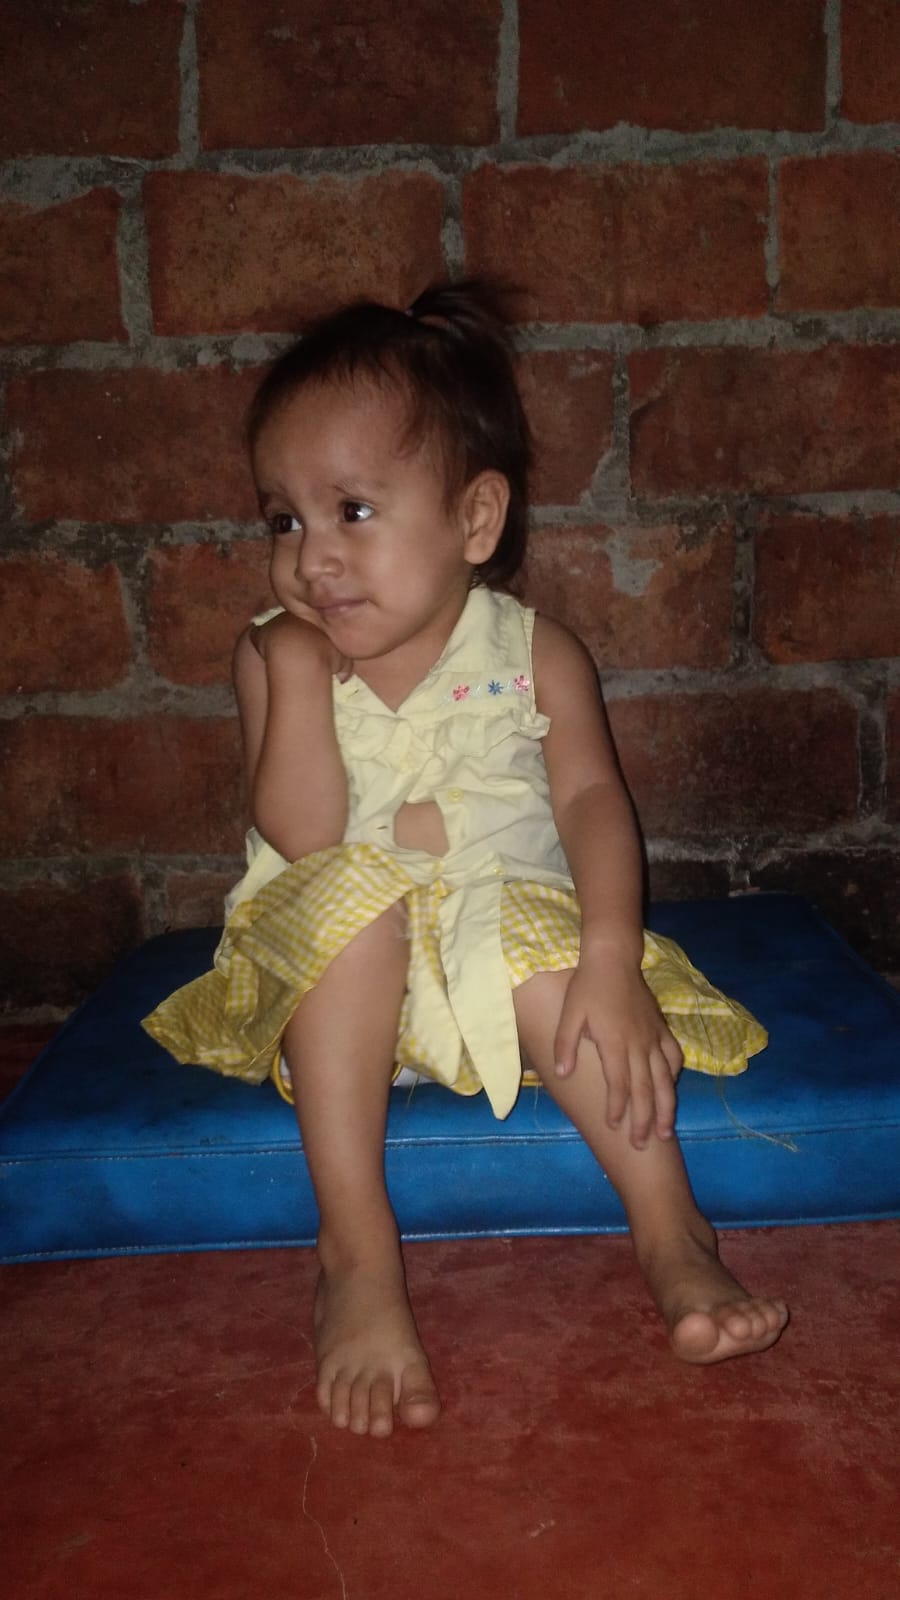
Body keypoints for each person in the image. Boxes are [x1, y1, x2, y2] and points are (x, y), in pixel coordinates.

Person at [144, 280, 788, 1439]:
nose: (311, 558)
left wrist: (611, 958)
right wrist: (295, 676)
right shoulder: (276, 656)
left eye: (351, 511)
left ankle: (671, 1228)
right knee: (355, 907)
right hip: (337, 986)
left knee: (554, 961)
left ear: (476, 522)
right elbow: (303, 836)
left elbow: (592, 799)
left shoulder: (536, 651)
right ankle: (355, 1253)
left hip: (499, 941)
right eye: (283, 520)